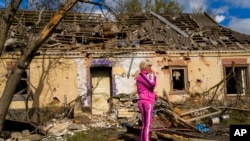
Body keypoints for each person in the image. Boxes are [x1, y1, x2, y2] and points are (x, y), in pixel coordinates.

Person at [136, 59, 157, 141]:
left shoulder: (144, 76)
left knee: (145, 124)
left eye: (151, 66)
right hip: (146, 102)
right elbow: (152, 85)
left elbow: (147, 89)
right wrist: (154, 76)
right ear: (143, 66)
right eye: (149, 66)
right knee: (147, 125)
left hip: (147, 101)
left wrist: (154, 95)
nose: (150, 68)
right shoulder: (142, 76)